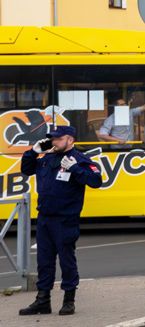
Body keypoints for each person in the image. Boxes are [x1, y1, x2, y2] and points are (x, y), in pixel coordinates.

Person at [17, 125, 103, 316]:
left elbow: (97, 181)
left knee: (66, 260)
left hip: (66, 219)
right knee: (44, 261)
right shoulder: (46, 159)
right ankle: (42, 301)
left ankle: (69, 300)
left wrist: (74, 169)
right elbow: (26, 169)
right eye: (52, 139)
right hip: (44, 218)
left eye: (57, 139)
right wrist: (33, 152)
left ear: (69, 140)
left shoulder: (80, 160)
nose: (53, 142)